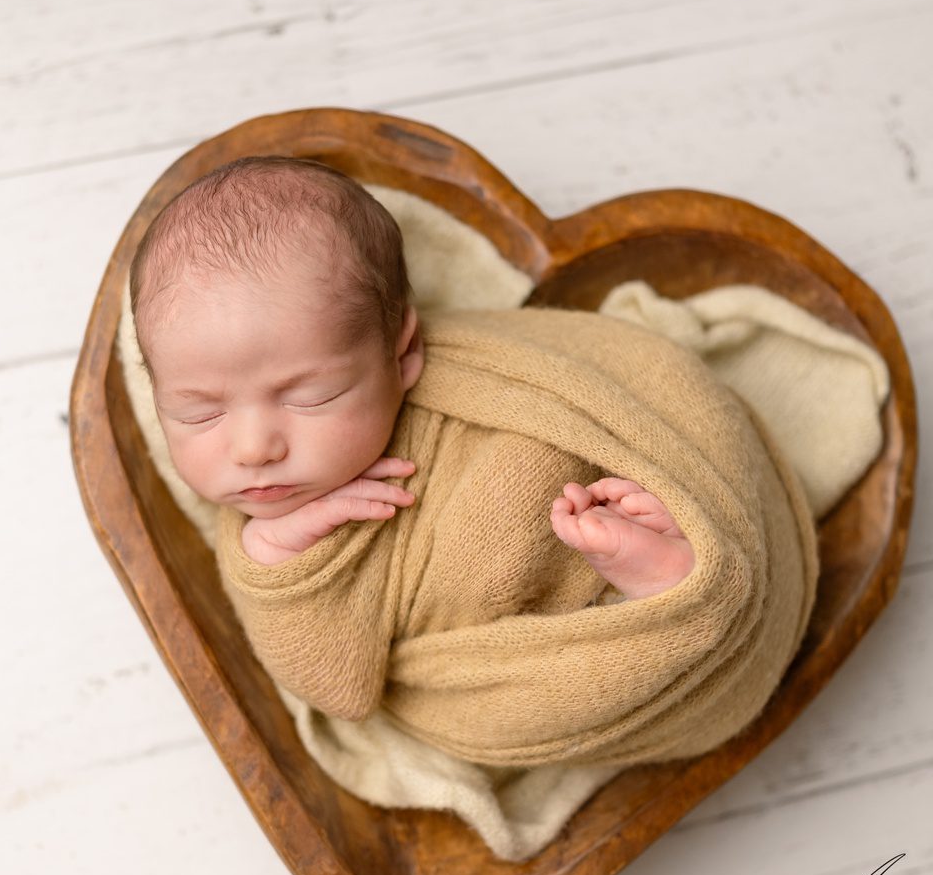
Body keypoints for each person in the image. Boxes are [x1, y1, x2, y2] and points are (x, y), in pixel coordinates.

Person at [129, 154, 695, 604]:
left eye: (310, 396)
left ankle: (682, 579)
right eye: (197, 413)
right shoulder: (263, 542)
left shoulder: (474, 363)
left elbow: (600, 373)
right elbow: (337, 684)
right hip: (525, 650)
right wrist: (276, 558)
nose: (254, 449)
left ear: (403, 355)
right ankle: (670, 599)